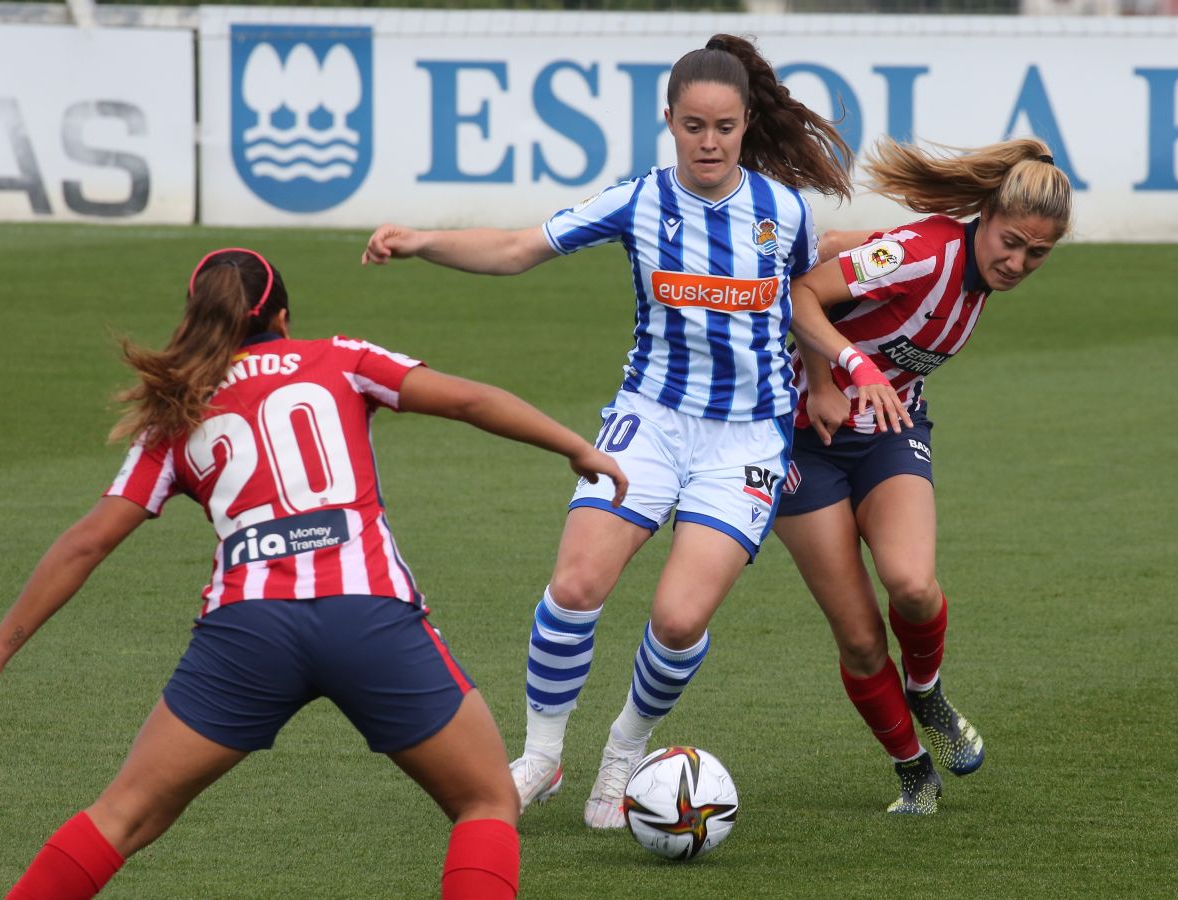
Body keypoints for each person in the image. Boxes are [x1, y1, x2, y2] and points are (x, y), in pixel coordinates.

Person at [0, 247, 630, 898]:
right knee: (485, 802)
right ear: (284, 318)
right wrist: (576, 448)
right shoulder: (341, 360)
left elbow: (87, 541)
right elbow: (470, 400)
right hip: (368, 615)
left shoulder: (176, 412)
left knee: (123, 816)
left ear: (196, 321)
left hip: (247, 632)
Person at [362, 35, 910, 829]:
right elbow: (518, 249)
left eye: (723, 127)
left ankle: (624, 750)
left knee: (679, 619)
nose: (709, 142)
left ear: (746, 123)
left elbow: (796, 302)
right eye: (693, 126)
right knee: (576, 584)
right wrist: (420, 241)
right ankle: (542, 757)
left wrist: (841, 366)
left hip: (747, 440)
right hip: (648, 419)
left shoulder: (780, 211)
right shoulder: (637, 200)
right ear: (669, 123)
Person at [773, 136, 1073, 814]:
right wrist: (829, 379)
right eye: (1011, 242)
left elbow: (847, 262)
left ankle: (926, 692)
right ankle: (912, 771)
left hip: (889, 429)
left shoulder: (971, 270)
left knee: (910, 585)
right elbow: (801, 297)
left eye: (1037, 254)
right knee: (856, 635)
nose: (1017, 262)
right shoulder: (924, 252)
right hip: (803, 439)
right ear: (985, 217)